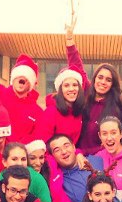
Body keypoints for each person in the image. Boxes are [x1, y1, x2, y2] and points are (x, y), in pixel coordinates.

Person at [0, 9, 43, 144]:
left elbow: (37, 137)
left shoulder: (37, 111)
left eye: (27, 77)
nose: (23, 78)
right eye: (20, 75)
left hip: (20, 155)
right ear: (13, 78)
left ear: (31, 84)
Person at [35, 16, 90, 144]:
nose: (71, 89)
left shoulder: (78, 112)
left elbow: (78, 68)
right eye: (66, 85)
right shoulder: (51, 112)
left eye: (75, 85)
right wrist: (69, 43)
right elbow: (42, 144)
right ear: (60, 89)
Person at [78, 63, 122, 155]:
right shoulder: (85, 99)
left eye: (108, 80)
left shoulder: (114, 110)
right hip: (76, 157)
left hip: (98, 159)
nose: (103, 82)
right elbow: (78, 67)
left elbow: (108, 145)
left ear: (112, 84)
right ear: (94, 79)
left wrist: (81, 153)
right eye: (100, 77)